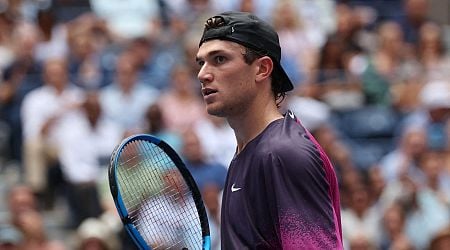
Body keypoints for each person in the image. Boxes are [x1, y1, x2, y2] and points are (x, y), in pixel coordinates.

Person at [195, 11, 343, 249]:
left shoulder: (283, 153)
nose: (203, 74)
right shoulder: (247, 154)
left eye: (220, 59)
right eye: (201, 62)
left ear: (262, 69)